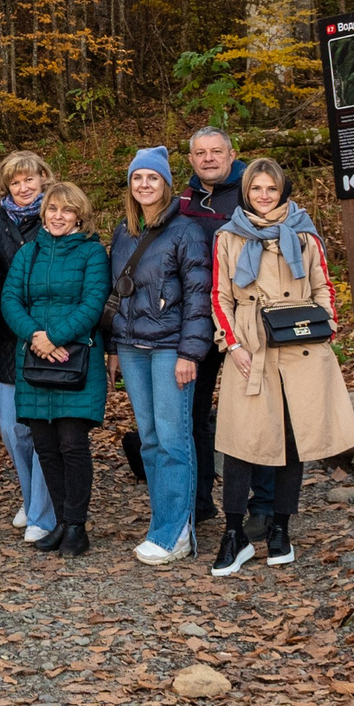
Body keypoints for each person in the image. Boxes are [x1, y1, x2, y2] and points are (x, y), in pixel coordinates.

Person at [209, 158, 354, 576]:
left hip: (300, 346)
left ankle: (281, 528)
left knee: (294, 440)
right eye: (256, 189)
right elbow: (220, 296)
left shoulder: (305, 234)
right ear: (246, 192)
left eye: (271, 189)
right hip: (251, 345)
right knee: (240, 442)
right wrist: (233, 345)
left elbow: (323, 285)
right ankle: (234, 534)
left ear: (282, 192)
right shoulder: (229, 236)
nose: (263, 196)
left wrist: (326, 329)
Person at [104, 148, 213, 566]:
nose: (144, 184)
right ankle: (162, 521)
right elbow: (116, 294)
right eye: (137, 178)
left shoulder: (186, 231)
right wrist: (113, 348)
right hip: (131, 349)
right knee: (149, 440)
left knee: (173, 439)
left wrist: (190, 353)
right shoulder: (123, 232)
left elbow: (199, 299)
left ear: (166, 184)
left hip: (170, 349)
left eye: (152, 178)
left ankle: (176, 532)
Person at [0, 181, 110, 557]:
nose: (58, 216)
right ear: (43, 213)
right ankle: (60, 522)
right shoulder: (28, 252)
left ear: (79, 215)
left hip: (76, 361)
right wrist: (35, 336)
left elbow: (93, 303)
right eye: (52, 209)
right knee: (45, 447)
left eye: (67, 210)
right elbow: (10, 299)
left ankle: (77, 526)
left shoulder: (92, 252)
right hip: (34, 360)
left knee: (72, 444)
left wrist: (55, 337)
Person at [0, 151, 59, 545]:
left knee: (42, 426)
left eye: (30, 179)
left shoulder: (57, 214)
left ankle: (43, 511)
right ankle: (31, 497)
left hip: (47, 335)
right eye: (15, 182)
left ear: (43, 178)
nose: (23, 187)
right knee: (11, 425)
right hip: (5, 335)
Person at [174, 126, 250, 525]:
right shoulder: (182, 202)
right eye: (200, 153)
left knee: (252, 412)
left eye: (216, 151)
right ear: (191, 159)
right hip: (197, 324)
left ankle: (260, 504)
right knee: (194, 415)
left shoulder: (251, 193)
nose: (208, 158)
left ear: (231, 154)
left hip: (244, 321)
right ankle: (200, 501)